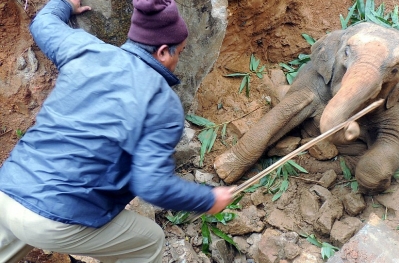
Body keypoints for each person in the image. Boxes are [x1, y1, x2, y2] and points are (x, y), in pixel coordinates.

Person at [0, 0, 234, 262]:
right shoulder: (162, 102)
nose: (178, 60)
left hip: (8, 191)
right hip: (54, 220)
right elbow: (152, 185)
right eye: (180, 52)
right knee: (150, 242)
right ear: (163, 52)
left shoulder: (85, 48)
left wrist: (64, 4)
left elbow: (43, 23)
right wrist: (207, 199)